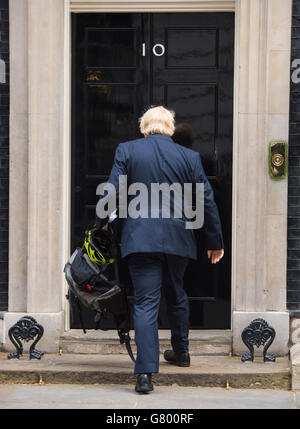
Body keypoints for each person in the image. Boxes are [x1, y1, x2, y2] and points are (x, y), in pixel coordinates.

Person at [95, 106, 224, 394]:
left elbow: (111, 191)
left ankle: (145, 374)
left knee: (145, 302)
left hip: (140, 239)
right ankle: (182, 352)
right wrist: (214, 242)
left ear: (144, 128)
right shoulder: (189, 157)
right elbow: (206, 199)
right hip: (179, 238)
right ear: (170, 128)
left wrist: (99, 225)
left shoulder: (127, 150)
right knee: (177, 291)